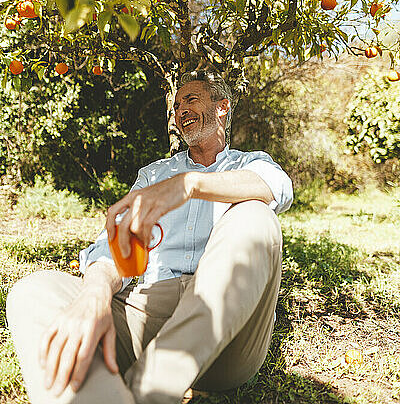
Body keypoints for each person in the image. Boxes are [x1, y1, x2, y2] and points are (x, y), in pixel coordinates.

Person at [6, 70, 293, 404]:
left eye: (191, 99)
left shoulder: (249, 164)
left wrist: (190, 184)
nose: (180, 109)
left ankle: (152, 390)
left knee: (256, 215)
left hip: (225, 332)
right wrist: (96, 291)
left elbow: (277, 188)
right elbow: (116, 243)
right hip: (143, 314)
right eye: (176, 105)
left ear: (222, 107)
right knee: (34, 291)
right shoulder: (154, 174)